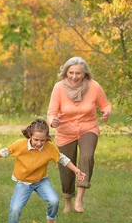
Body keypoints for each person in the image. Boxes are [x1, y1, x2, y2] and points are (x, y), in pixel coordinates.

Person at [0, 119, 86, 223]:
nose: (39, 143)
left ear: (46, 138)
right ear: (30, 135)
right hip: (24, 183)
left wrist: (76, 170)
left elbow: (62, 159)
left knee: (54, 200)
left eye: (42, 140)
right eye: (36, 140)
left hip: (41, 181)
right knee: (15, 208)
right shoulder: (20, 144)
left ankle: (51, 221)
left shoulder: (49, 147)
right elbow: (5, 152)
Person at [46, 57, 112, 213]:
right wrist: (52, 122)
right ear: (65, 72)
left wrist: (106, 112)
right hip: (65, 131)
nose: (74, 77)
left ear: (85, 74)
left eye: (78, 74)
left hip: (88, 128)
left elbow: (105, 104)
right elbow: (51, 113)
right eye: (71, 73)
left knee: (86, 157)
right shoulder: (59, 88)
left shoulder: (94, 86)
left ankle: (79, 198)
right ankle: (68, 199)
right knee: (66, 167)